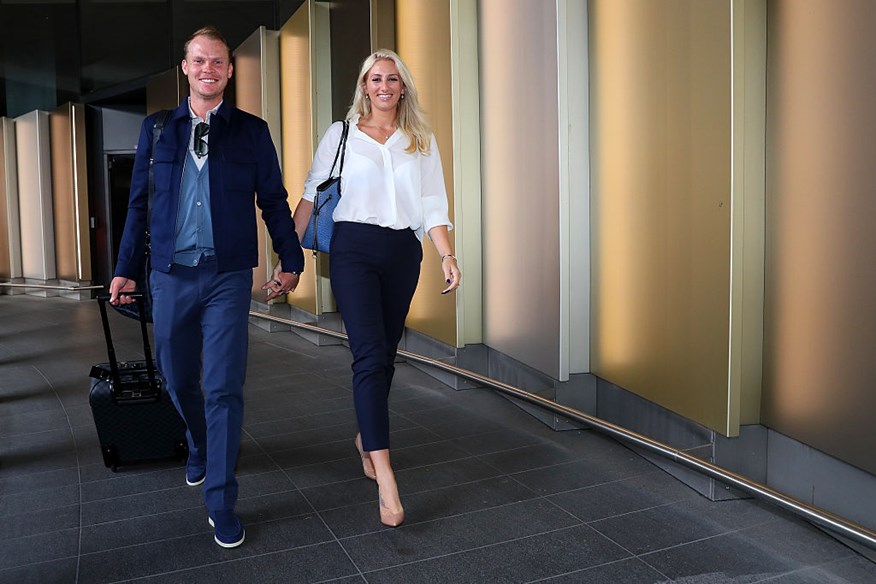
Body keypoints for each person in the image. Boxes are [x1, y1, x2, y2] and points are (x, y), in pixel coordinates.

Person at [109, 25, 303, 548]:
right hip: (170, 276)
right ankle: (197, 441)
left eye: (218, 62)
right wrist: (125, 267)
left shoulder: (252, 132)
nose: (209, 70)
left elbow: (274, 199)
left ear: (230, 70)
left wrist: (291, 258)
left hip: (227, 276)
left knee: (222, 387)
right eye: (200, 61)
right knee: (177, 377)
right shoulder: (155, 131)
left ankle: (221, 500)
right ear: (185, 68)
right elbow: (140, 207)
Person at [290, 49, 461, 527]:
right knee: (367, 354)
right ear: (364, 86)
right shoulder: (340, 135)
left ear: (403, 87)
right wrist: (288, 262)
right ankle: (386, 478)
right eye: (374, 78)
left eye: (392, 78)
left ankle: (367, 438)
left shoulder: (420, 141)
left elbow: (433, 203)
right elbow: (310, 192)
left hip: (404, 252)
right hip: (354, 250)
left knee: (385, 353)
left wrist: (447, 253)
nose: (383, 86)